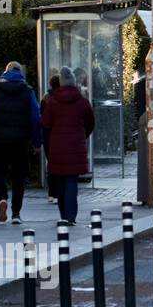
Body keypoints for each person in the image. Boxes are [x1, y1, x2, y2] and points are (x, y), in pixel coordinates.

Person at [0, 61, 42, 225]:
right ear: (20, 73)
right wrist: (37, 142)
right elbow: (35, 118)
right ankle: (16, 213)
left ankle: (2, 199)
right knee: (18, 177)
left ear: (5, 72)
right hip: (20, 141)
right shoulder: (27, 91)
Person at [40, 67, 94, 226]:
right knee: (71, 181)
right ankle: (71, 216)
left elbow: (45, 123)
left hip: (57, 146)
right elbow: (90, 122)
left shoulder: (52, 101)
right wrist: (82, 136)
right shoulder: (82, 101)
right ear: (73, 82)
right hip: (76, 145)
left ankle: (63, 215)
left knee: (60, 181)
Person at [42, 73, 61, 205]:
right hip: (60, 136)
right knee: (61, 165)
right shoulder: (62, 99)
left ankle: (51, 193)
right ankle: (58, 191)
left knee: (51, 164)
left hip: (48, 137)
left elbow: (42, 120)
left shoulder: (46, 99)